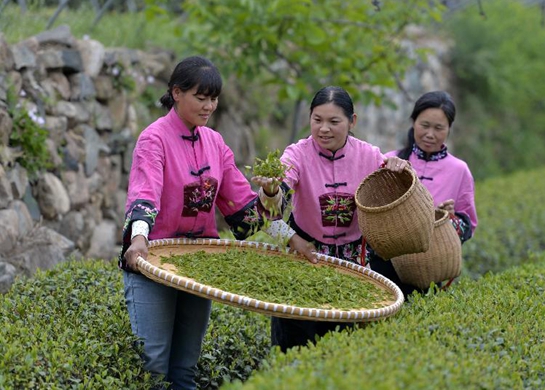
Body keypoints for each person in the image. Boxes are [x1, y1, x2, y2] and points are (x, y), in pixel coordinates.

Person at [119, 56, 292, 390]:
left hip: (199, 268)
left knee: (185, 368)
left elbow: (243, 211)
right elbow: (145, 193)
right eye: (201, 97)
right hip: (153, 262)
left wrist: (283, 222)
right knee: (152, 365)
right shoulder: (153, 139)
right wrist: (138, 238)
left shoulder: (216, 144)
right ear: (177, 93)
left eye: (214, 98)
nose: (209, 106)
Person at [261, 86, 409, 353]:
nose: (324, 129)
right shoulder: (296, 155)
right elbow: (267, 215)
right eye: (317, 120)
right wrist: (289, 232)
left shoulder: (369, 156)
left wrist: (399, 168)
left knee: (346, 349)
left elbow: (394, 188)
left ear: (352, 121)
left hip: (353, 267)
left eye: (334, 122)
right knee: (296, 346)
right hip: (305, 259)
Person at [370, 90, 478, 297]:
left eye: (439, 128)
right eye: (424, 125)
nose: (430, 134)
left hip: (428, 269)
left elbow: (468, 225)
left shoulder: (459, 170)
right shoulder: (391, 161)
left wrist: (449, 217)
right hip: (384, 267)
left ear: (449, 129)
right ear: (413, 122)